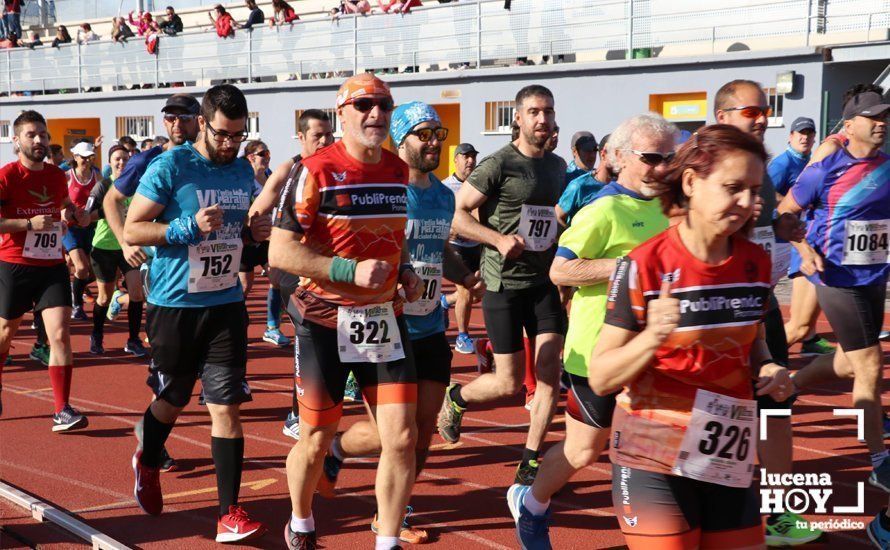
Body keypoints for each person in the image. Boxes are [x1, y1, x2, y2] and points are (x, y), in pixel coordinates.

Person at [598, 124, 791, 549]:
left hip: (726, 456)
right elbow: (601, 376)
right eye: (732, 187)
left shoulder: (756, 264)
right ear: (690, 182)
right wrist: (652, 336)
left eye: (754, 190)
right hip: (652, 455)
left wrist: (770, 367)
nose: (747, 203)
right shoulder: (643, 265)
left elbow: (753, 344)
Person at [316, 101, 484, 546]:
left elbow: (437, 247)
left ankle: (385, 497)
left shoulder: (443, 196)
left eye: (438, 135)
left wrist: (464, 275)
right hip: (387, 324)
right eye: (423, 135)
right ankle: (344, 456)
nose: (433, 144)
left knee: (423, 434)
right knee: (398, 434)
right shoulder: (389, 191)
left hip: (429, 325)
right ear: (402, 139)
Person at [507, 113, 676, 548]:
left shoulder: (673, 209)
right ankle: (532, 502)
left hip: (653, 352)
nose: (661, 167)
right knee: (583, 451)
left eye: (668, 158)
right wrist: (624, 267)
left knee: (658, 444)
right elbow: (561, 270)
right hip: (595, 353)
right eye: (651, 158)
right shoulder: (604, 208)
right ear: (619, 158)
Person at [269, 73, 423, 550]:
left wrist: (405, 272)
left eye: (384, 105)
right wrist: (348, 271)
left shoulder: (399, 170)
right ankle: (300, 521)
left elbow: (390, 241)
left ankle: (387, 542)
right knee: (315, 439)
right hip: (322, 318)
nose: (376, 114)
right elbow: (279, 253)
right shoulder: (314, 170)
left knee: (400, 439)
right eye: (364, 106)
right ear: (342, 114)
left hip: (382, 320)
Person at [127, 84, 269, 542]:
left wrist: (253, 232)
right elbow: (134, 228)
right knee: (173, 399)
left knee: (226, 406)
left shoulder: (242, 170)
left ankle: (229, 512)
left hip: (225, 303)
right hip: (175, 304)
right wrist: (186, 226)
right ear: (202, 124)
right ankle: (148, 461)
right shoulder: (171, 166)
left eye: (239, 136)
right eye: (224, 135)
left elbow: (236, 230)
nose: (231, 145)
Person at [772, 90, 890, 546]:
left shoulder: (886, 167)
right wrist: (804, 249)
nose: (882, 124)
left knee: (848, 360)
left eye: (886, 118)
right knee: (870, 364)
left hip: (874, 276)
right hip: (834, 275)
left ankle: (791, 384)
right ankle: (879, 459)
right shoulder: (826, 168)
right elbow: (786, 214)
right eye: (874, 118)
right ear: (851, 124)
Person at [438, 84, 567, 486]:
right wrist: (497, 240)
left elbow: (549, 215)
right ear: (518, 117)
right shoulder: (498, 164)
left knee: (549, 373)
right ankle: (457, 398)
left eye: (547, 111)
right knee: (508, 383)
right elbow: (456, 214)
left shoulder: (558, 166)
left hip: (543, 283)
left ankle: (530, 459)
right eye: (533, 112)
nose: (542, 119)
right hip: (503, 283)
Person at [714, 78, 819, 546]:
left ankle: (779, 516)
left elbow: (772, 215)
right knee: (712, 412)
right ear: (723, 117)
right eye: (750, 111)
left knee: (777, 403)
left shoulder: (763, 165)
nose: (761, 118)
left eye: (764, 110)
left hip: (760, 305)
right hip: (712, 313)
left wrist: (792, 233)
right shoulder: (700, 162)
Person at [103, 93, 201, 475]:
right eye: (170, 118)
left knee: (195, 378)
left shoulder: (212, 160)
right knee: (170, 374)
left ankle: (154, 427)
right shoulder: (148, 159)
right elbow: (112, 200)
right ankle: (152, 436)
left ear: (200, 120)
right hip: (164, 277)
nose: (177, 124)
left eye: (184, 117)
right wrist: (126, 242)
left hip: (209, 281)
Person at [0, 110, 91, 429]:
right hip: (14, 264)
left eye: (43, 134)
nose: (39, 140)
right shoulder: (7, 176)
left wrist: (76, 215)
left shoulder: (55, 176)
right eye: (31, 135)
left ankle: (62, 408)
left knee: (60, 335)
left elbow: (65, 207)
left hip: (51, 265)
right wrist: (27, 223)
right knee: (5, 333)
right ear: (17, 141)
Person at [247, 109, 334, 441]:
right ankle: (296, 414)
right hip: (292, 271)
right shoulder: (288, 169)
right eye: (318, 136)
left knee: (330, 342)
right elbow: (257, 212)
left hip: (325, 268)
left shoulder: (336, 170)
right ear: (301, 138)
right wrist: (271, 239)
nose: (326, 141)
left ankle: (322, 402)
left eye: (329, 134)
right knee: (307, 336)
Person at [769, 116, 835, 356]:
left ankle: (809, 339)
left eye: (809, 133)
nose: (805, 137)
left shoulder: (811, 162)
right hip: (792, 242)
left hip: (812, 241)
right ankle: (756, 365)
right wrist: (797, 203)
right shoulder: (781, 165)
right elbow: (768, 196)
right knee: (795, 324)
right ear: (790, 136)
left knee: (804, 322)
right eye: (800, 133)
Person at [86, 145, 147, 358]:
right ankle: (96, 334)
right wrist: (106, 212)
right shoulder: (104, 186)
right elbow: (87, 215)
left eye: (125, 159)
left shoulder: (137, 185)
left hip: (128, 247)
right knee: (103, 298)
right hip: (104, 247)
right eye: (117, 159)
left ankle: (133, 339)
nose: (121, 163)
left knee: (137, 293)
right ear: (110, 163)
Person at [239, 140, 290, 347]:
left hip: (267, 240)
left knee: (277, 280)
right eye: (263, 153)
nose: (267, 157)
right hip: (247, 241)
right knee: (244, 287)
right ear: (251, 157)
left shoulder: (270, 178)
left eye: (268, 153)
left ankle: (272, 328)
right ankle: (236, 325)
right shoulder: (244, 180)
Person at [441, 142, 480, 354]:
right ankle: (462, 336)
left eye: (473, 156)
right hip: (456, 246)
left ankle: (445, 302)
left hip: (477, 244)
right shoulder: (445, 187)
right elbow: (438, 216)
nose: (470, 161)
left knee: (479, 291)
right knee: (466, 290)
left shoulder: (480, 184)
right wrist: (448, 230)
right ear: (456, 159)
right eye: (466, 156)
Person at [64, 141, 100, 322]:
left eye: (90, 157)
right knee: (81, 267)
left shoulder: (98, 177)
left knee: (93, 273)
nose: (86, 160)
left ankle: (75, 287)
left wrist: (91, 216)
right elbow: (57, 202)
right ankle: (77, 306)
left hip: (90, 228)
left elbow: (103, 202)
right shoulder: (67, 177)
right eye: (83, 157)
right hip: (71, 229)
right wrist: (66, 214)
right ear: (75, 157)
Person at [556, 132, 608, 226]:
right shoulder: (565, 177)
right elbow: (557, 215)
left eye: (594, 150)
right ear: (574, 151)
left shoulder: (600, 178)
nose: (592, 155)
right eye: (587, 150)